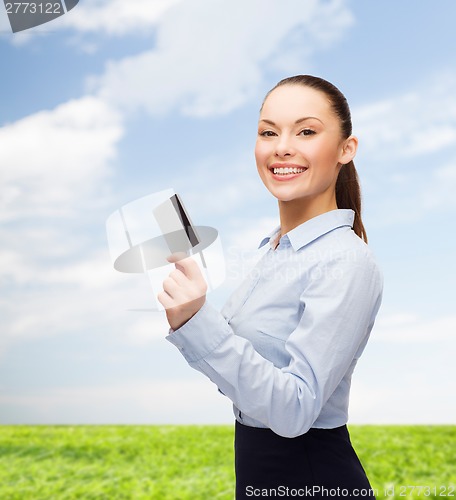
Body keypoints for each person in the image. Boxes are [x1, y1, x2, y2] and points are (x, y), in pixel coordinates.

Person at [158, 75, 383, 499]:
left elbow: (295, 410)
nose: (281, 146)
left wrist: (197, 321)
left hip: (313, 478)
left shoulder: (346, 260)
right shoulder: (273, 251)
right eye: (268, 132)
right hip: (260, 476)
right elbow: (247, 383)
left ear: (345, 150)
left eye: (306, 131)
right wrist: (195, 319)